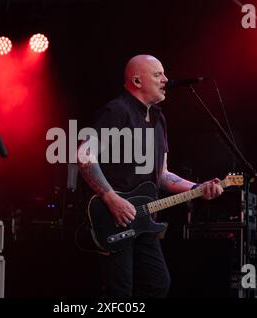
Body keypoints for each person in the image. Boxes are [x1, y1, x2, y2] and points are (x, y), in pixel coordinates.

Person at [77, 54, 223, 298]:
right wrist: (111, 199)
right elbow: (84, 155)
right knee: (120, 291)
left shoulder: (158, 118)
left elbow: (163, 175)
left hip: (143, 220)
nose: (166, 79)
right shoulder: (117, 110)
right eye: (158, 74)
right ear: (137, 80)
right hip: (115, 217)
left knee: (158, 284)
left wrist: (198, 187)